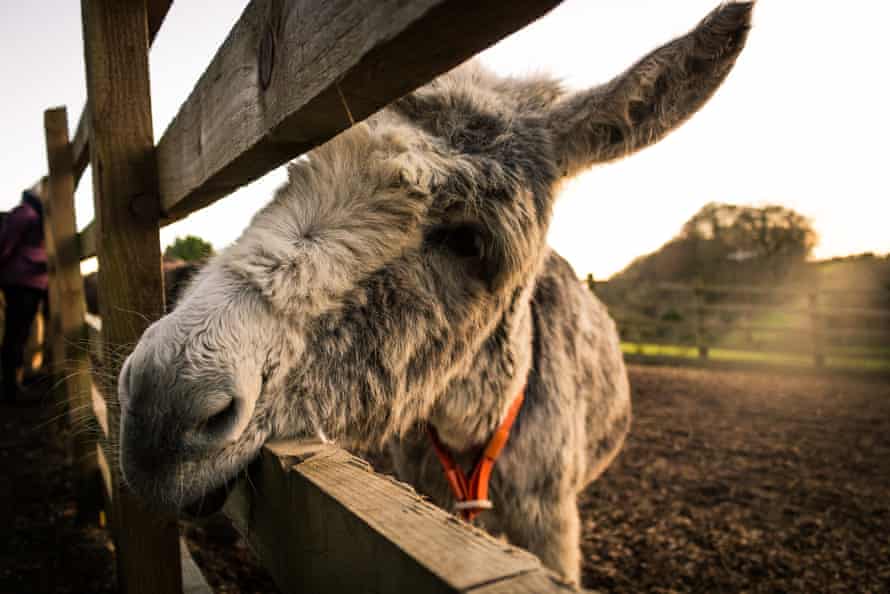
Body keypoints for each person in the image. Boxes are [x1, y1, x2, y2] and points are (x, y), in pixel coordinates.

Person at [0, 186, 48, 403]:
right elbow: (5, 244)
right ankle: (11, 386)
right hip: (22, 282)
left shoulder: (35, 213)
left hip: (30, 282)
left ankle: (15, 382)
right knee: (16, 334)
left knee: (20, 333)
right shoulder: (26, 213)